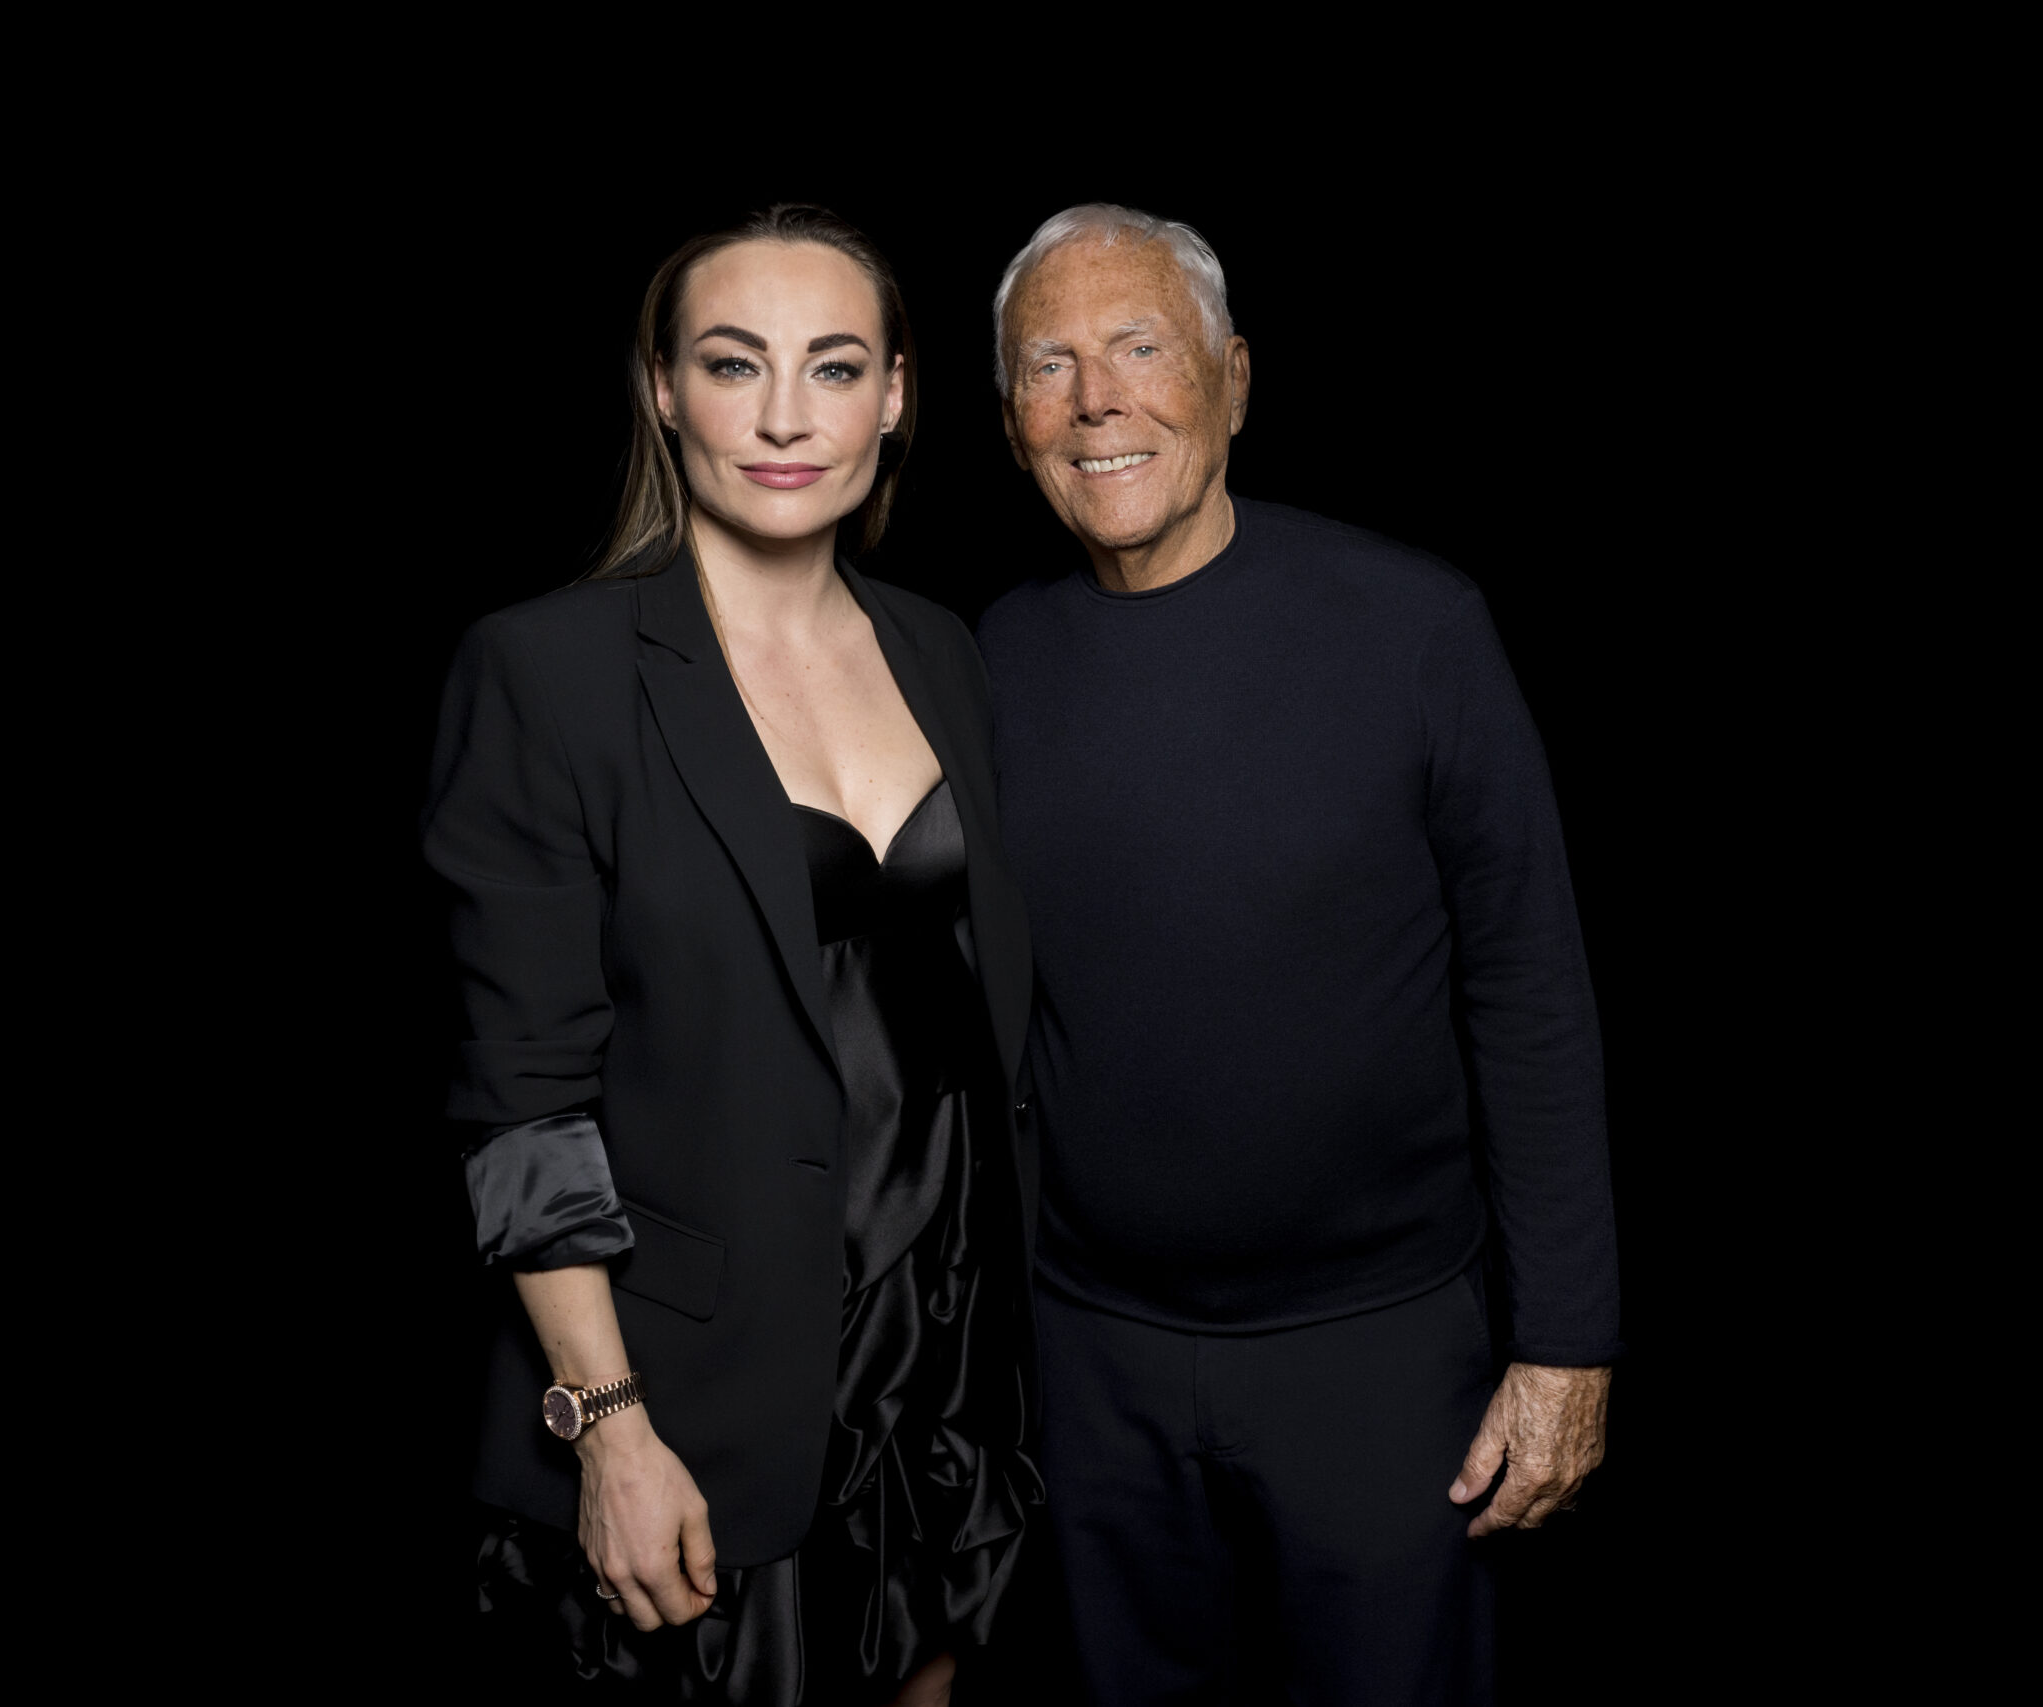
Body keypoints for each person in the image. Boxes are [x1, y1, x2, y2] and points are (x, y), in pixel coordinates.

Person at [973, 203, 1623, 1704]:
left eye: (1140, 347)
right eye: (1049, 366)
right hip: (1091, 1359)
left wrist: (1569, 1346)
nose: (1097, 401)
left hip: (1382, 1357)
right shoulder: (984, 661)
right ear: (1011, 424)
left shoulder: (1416, 630)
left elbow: (1531, 992)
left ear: (1235, 379)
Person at [424, 204, 1041, 1705]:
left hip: (945, 1354)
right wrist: (610, 1428)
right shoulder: (549, 668)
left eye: (833, 367)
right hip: (696, 1391)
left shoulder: (944, 650)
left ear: (894, 397)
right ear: (662, 388)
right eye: (731, 363)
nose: (783, 418)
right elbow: (522, 1105)